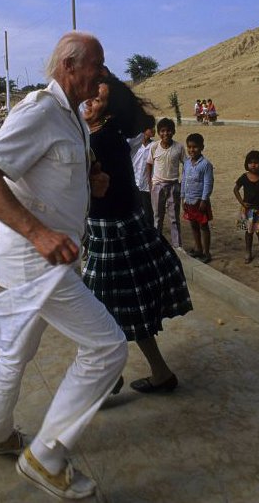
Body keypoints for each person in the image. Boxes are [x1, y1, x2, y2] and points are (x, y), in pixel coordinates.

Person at [0, 32, 127, 501]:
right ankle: (46, 457)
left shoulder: (71, 116)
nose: (101, 74)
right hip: (36, 260)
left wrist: (89, 181)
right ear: (69, 64)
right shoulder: (39, 110)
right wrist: (38, 232)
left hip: (47, 257)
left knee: (17, 349)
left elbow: (49, 174)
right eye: (96, 64)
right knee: (107, 348)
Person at [81, 75, 191, 394]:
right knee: (125, 307)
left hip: (112, 233)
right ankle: (158, 372)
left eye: (97, 99)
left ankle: (109, 377)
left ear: (109, 112)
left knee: (95, 309)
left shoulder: (101, 140)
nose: (88, 100)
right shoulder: (106, 135)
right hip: (119, 228)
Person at [147, 117, 185, 249]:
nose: (166, 133)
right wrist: (150, 184)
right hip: (157, 186)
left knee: (174, 217)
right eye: (162, 131)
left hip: (174, 186)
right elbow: (149, 164)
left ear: (173, 132)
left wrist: (181, 184)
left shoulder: (179, 147)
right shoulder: (154, 146)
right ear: (158, 132)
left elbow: (185, 165)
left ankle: (177, 245)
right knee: (157, 217)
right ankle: (156, 244)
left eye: (169, 131)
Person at [181, 133, 214, 262]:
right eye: (189, 147)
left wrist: (204, 200)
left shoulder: (206, 165)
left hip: (200, 201)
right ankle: (198, 248)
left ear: (202, 147)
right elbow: (183, 180)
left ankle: (206, 252)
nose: (191, 150)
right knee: (193, 225)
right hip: (189, 200)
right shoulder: (187, 163)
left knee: (203, 226)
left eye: (195, 147)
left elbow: (208, 183)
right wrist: (183, 197)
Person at [233, 150, 259, 264]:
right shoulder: (244, 177)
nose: (253, 165)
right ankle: (248, 252)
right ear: (247, 164)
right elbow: (235, 189)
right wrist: (242, 202)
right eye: (250, 162)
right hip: (247, 210)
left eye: (256, 162)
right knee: (248, 232)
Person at [128, 115, 156, 227]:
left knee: (148, 214)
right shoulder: (134, 145)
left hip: (146, 186)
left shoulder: (154, 146)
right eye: (151, 128)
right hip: (134, 184)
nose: (154, 130)